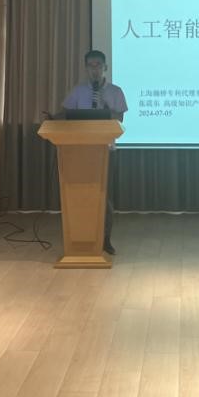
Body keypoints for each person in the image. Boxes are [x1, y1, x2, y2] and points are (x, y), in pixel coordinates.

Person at [60, 50, 127, 255]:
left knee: (104, 197)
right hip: (79, 152)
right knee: (81, 195)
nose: (95, 69)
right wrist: (52, 117)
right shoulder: (78, 91)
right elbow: (66, 114)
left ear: (105, 67)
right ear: (86, 68)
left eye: (98, 65)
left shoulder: (115, 91)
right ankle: (81, 237)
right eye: (91, 65)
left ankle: (105, 238)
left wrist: (105, 108)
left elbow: (120, 118)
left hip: (106, 151)